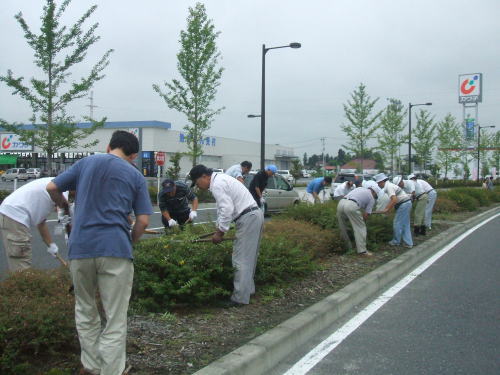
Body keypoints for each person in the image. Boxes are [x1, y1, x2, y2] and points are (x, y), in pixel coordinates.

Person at [46, 130, 153, 375]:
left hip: (81, 248)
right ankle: (112, 370)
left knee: (85, 309)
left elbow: (52, 186)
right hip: (115, 249)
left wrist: (64, 207)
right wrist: (130, 241)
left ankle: (91, 366)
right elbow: (144, 222)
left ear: (109, 146)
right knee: (115, 317)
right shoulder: (135, 176)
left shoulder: (87, 162)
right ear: (133, 155)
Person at [189, 164, 264, 307]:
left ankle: (239, 298)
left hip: (248, 217)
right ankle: (248, 291)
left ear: (204, 177)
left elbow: (227, 209)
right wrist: (220, 227)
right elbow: (227, 209)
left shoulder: (217, 184)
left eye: (198, 183)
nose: (198, 187)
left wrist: (220, 233)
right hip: (253, 215)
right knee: (249, 257)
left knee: (240, 259)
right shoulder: (221, 179)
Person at [0, 177, 68, 272]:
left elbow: (41, 222)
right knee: (22, 265)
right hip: (15, 215)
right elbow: (66, 220)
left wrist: (51, 245)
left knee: (21, 262)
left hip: (11, 213)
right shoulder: (64, 191)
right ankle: (23, 285)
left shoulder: (57, 184)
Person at [336, 181, 381, 256]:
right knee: (360, 227)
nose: (375, 197)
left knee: (343, 227)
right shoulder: (371, 198)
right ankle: (362, 251)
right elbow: (366, 215)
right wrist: (363, 222)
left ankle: (347, 247)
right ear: (374, 192)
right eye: (376, 196)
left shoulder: (360, 188)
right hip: (351, 205)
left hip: (341, 203)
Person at [375, 173, 413, 248]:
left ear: (382, 182)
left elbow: (394, 200)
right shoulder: (389, 186)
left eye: (378, 183)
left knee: (397, 223)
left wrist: (386, 209)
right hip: (406, 203)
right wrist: (388, 208)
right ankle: (408, 243)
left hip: (404, 204)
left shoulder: (389, 186)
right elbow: (393, 200)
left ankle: (396, 241)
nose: (378, 185)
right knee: (405, 224)